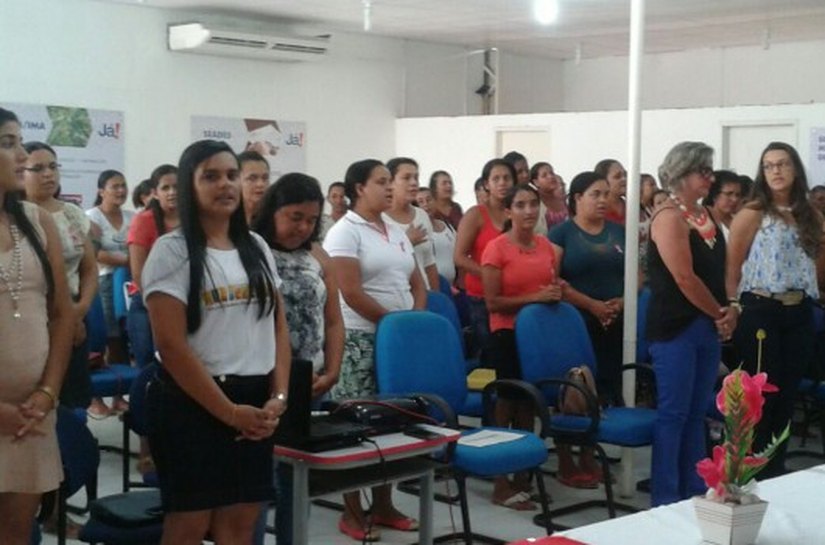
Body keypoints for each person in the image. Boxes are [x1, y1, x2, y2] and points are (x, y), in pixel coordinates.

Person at [143, 140, 290, 545]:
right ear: (189, 186)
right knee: (189, 526)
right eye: (210, 176)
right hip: (193, 402)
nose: (225, 184)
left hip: (255, 403)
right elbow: (171, 346)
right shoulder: (171, 251)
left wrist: (278, 397)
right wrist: (229, 413)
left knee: (240, 526)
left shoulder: (256, 247)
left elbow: (278, 327)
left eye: (231, 175)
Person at [323, 159, 426, 542]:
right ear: (359, 188)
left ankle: (384, 504)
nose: (389, 188)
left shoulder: (396, 230)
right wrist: (394, 323)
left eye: (389, 181)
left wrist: (413, 322)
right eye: (381, 182)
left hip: (397, 341)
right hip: (360, 339)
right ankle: (352, 511)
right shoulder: (344, 232)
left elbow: (417, 283)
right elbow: (349, 291)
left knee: (394, 423)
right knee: (355, 425)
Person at [252, 172, 344, 545]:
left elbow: (334, 320)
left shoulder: (317, 255)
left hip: (310, 381)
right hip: (261, 381)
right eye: (295, 217)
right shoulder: (251, 249)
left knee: (296, 478)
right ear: (273, 210)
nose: (303, 227)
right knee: (258, 480)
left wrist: (333, 369)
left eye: (311, 220)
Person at [727, 142, 824, 479]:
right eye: (768, 166)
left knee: (787, 395)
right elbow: (732, 268)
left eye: (782, 164)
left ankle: (776, 470)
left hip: (799, 310)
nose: (776, 171)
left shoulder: (811, 215)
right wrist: (733, 306)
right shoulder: (753, 213)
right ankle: (750, 471)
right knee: (761, 395)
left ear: (795, 168)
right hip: (761, 308)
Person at [647, 141, 736, 506]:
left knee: (698, 411)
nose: (710, 178)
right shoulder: (669, 217)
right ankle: (666, 496)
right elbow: (684, 278)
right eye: (704, 171)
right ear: (683, 174)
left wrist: (731, 307)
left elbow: (722, 270)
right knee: (674, 412)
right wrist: (719, 313)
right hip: (676, 327)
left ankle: (694, 489)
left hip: (706, 323)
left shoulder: (707, 215)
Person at [0, 107, 73, 545]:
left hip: (29, 418)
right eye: (8, 143)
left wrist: (47, 393)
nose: (23, 155)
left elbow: (62, 314)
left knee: (15, 534)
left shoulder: (37, 222)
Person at [481, 183, 561, 509]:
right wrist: (536, 297)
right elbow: (492, 302)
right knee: (507, 406)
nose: (529, 211)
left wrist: (553, 295)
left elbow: (550, 286)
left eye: (533, 204)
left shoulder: (545, 246)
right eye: (521, 205)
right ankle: (500, 481)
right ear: (508, 211)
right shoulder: (496, 249)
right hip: (506, 333)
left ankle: (523, 477)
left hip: (537, 335)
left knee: (529, 405)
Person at [22, 142, 98, 417]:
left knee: (72, 402)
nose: (48, 174)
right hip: (31, 317)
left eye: (53, 167)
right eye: (38, 168)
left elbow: (89, 269)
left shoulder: (71, 213)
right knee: (33, 399)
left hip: (75, 314)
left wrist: (78, 312)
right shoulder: (15, 216)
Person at [549, 171, 627, 408]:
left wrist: (622, 301)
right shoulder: (561, 234)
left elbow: (637, 275)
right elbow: (552, 279)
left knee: (615, 381)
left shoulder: (619, 232)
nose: (603, 200)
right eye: (596, 194)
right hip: (578, 318)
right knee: (586, 385)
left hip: (617, 318)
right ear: (578, 198)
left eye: (606, 194)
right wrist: (592, 305)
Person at [126, 164, 179, 476]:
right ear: (155, 193)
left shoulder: (195, 220)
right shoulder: (145, 221)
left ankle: (175, 444)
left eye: (177, 186)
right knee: (150, 378)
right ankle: (147, 448)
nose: (172, 193)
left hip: (184, 308)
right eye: (165, 188)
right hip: (147, 307)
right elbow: (139, 275)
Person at [455, 159, 515, 361]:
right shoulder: (476, 214)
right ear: (486, 184)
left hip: (513, 297)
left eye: (507, 178)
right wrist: (492, 276)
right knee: (492, 355)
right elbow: (459, 257)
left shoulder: (517, 212)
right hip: (482, 298)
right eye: (496, 179)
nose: (502, 183)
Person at [86, 169, 134, 415]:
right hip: (102, 281)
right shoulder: (91, 216)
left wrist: (131, 262)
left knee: (121, 338)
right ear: (101, 191)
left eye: (123, 185)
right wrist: (129, 260)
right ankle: (94, 398)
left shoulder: (132, 217)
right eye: (115, 186)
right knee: (102, 338)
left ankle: (118, 396)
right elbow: (95, 253)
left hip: (128, 283)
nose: (121, 190)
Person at [383, 157, 439, 290]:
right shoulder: (380, 219)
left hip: (424, 292)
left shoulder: (422, 215)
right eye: (406, 178)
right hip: (394, 294)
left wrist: (436, 294)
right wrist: (406, 242)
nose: (414, 183)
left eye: (416, 178)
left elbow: (429, 262)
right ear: (390, 182)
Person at [416, 186, 456, 285]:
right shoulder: (418, 231)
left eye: (428, 200)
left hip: (454, 285)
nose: (425, 204)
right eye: (420, 202)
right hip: (432, 285)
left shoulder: (447, 226)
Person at [703, 170, 744, 242]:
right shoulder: (705, 222)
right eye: (729, 194)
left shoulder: (740, 221)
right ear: (715, 195)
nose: (734, 199)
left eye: (737, 195)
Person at [529, 161, 568, 233]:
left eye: (552, 173)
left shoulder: (562, 199)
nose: (550, 177)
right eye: (544, 175)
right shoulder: (534, 202)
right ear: (536, 182)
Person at [238, 150, 271, 225]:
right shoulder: (223, 220)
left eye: (265, 178)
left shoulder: (274, 220)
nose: (260, 184)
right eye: (252, 178)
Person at [594, 159, 627, 225]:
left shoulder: (632, 206)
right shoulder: (595, 209)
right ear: (603, 181)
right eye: (617, 176)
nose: (624, 179)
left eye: (625, 175)